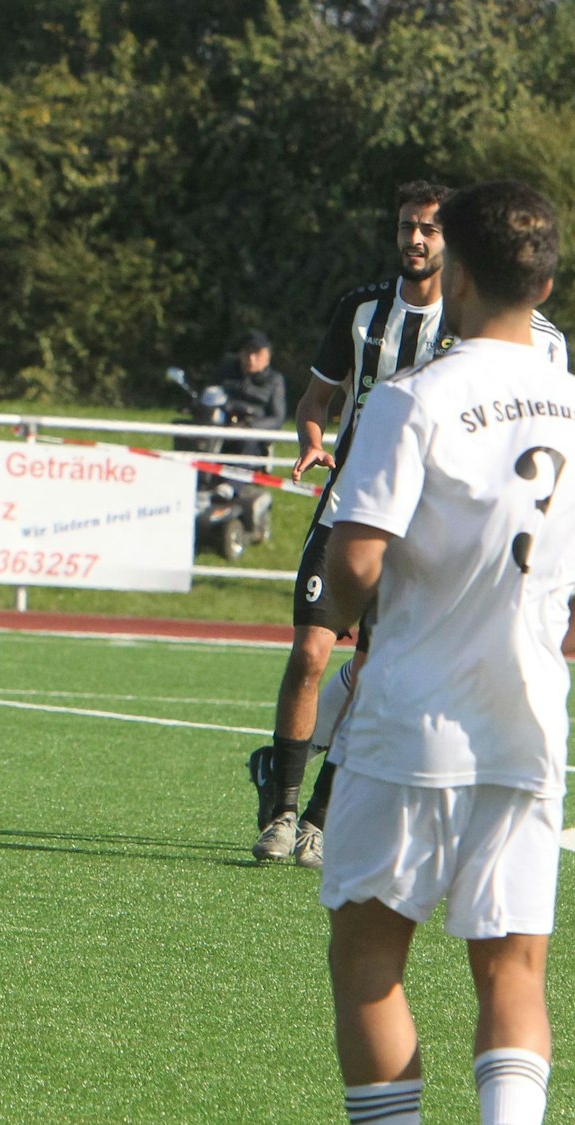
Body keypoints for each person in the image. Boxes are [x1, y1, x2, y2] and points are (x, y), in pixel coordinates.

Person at [319, 179, 570, 1125]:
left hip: (409, 721)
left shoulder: (412, 397)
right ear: (542, 287)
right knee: (513, 968)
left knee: (371, 960)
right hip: (529, 724)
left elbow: (356, 557)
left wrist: (357, 617)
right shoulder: (574, 402)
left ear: (456, 274)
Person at [251, 182, 569, 867]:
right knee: (312, 653)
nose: (415, 241)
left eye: (428, 229)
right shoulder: (363, 312)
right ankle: (278, 802)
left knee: (370, 672)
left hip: (425, 532)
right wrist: (314, 437)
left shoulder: (534, 349)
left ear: (457, 251)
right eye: (406, 228)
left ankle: (320, 816)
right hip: (349, 510)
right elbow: (318, 398)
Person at [212, 328, 287, 461]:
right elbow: (210, 396)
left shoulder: (275, 380)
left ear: (267, 357)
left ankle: (231, 481)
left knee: (245, 442)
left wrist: (248, 426)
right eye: (247, 353)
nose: (251, 359)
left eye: (257, 354)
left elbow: (277, 419)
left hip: (251, 434)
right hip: (221, 427)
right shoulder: (226, 372)